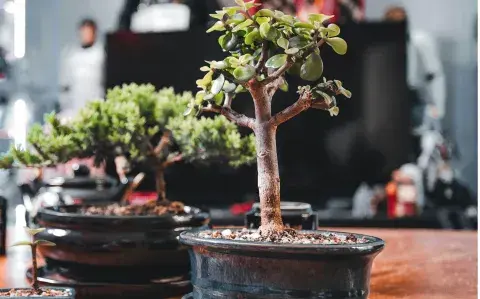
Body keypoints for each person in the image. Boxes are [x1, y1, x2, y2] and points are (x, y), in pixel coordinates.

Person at [384, 6, 446, 134]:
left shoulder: (420, 42)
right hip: (390, 101)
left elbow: (434, 75)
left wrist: (437, 109)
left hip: (415, 99)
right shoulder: (382, 47)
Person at [58, 18, 105, 122]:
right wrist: (64, 104)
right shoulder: (71, 55)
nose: (86, 35)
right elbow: (64, 84)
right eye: (83, 32)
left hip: (95, 103)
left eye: (88, 32)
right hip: (75, 106)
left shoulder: (101, 54)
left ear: (94, 33)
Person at [117, 0, 221, 32]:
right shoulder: (135, 3)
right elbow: (122, 28)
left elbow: (214, 20)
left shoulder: (198, 3)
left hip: (186, 59)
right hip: (144, 59)